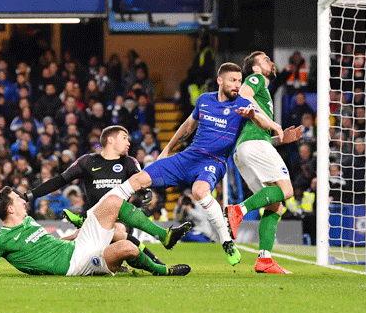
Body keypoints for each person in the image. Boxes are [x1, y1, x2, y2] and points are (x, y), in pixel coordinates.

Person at [102, 63, 283, 266]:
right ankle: (95, 214)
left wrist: (253, 116)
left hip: (213, 162)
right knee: (136, 179)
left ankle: (226, 242)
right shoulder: (204, 100)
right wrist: (167, 149)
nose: (237, 85)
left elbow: (264, 123)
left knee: (199, 191)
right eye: (233, 80)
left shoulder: (242, 103)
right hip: (188, 158)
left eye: (240, 81)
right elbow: (188, 126)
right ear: (220, 81)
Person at [0, 186, 191, 277]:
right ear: (10, 208)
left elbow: (49, 245)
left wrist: (77, 234)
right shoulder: (0, 240)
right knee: (127, 246)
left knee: (114, 207)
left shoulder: (29, 221)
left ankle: (164, 235)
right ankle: (162, 270)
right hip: (76, 264)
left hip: (76, 247)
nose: (24, 200)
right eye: (18, 199)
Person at [25, 125, 166, 266]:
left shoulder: (129, 162)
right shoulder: (87, 161)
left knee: (117, 230)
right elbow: (59, 181)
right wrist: (30, 195)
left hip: (119, 220)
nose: (128, 143)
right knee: (73, 241)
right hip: (93, 219)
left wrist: (145, 191)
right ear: (110, 140)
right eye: (124, 138)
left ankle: (156, 264)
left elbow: (139, 179)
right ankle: (39, 254)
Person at [225, 52, 303, 274]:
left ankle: (265, 259)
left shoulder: (264, 95)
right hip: (254, 145)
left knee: (275, 204)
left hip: (248, 148)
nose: (270, 61)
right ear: (256, 69)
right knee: (286, 190)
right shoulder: (255, 80)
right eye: (265, 59)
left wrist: (280, 139)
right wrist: (272, 123)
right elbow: (243, 93)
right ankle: (238, 210)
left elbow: (260, 133)